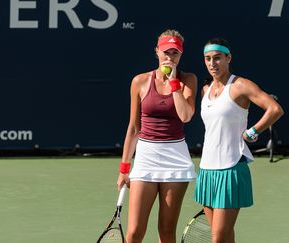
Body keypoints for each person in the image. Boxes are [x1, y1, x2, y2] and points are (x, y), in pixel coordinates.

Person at [194, 38, 284, 243]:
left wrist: (253, 132)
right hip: (207, 170)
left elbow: (275, 109)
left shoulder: (241, 85)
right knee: (225, 237)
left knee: (217, 238)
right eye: (207, 59)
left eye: (217, 58)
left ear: (228, 58)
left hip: (231, 167)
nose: (212, 63)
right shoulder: (205, 90)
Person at [117, 29, 197, 243]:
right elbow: (134, 128)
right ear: (156, 52)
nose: (170, 57)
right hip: (146, 158)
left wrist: (173, 84)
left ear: (181, 55)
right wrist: (124, 169)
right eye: (165, 52)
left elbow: (186, 115)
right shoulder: (140, 81)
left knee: (166, 231)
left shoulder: (188, 80)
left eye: (175, 53)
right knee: (134, 232)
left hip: (176, 160)